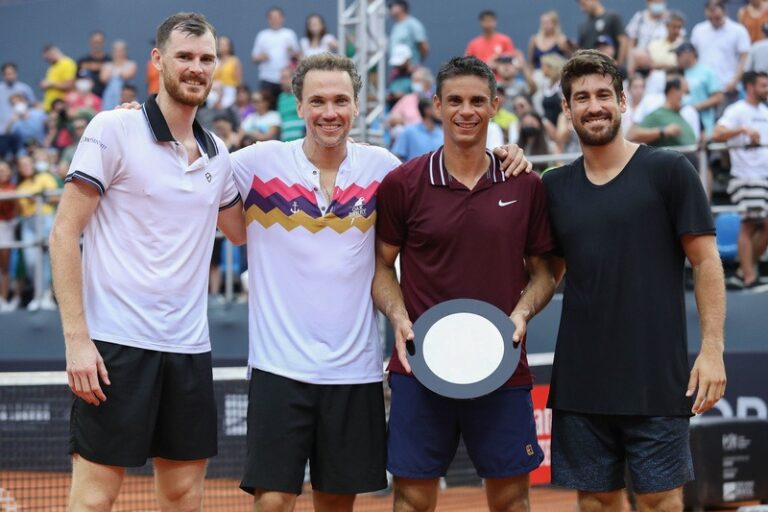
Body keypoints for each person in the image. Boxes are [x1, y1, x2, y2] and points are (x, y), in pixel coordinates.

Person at [229, 53, 531, 512]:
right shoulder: (255, 163)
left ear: (356, 106)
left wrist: (508, 153)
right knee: (272, 502)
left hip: (354, 372)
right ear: (298, 105)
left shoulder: (385, 170)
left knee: (337, 503)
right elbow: (192, 162)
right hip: (278, 370)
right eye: (317, 101)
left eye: (340, 101)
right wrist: (135, 118)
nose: (329, 112)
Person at [48, 12, 245, 510]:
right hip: (114, 347)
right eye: (184, 57)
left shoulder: (217, 153)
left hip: (188, 347)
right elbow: (64, 232)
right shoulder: (113, 128)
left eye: (206, 59)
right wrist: (77, 340)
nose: (196, 68)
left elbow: (243, 233)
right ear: (158, 61)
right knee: (95, 497)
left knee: (183, 494)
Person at [543, 49, 726, 512]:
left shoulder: (668, 171)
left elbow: (706, 262)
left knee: (659, 499)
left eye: (604, 94)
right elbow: (547, 272)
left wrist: (712, 349)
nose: (594, 105)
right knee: (598, 501)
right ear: (567, 109)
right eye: (581, 97)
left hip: (657, 377)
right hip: (582, 379)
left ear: (623, 102)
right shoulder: (553, 186)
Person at [373, 55, 555, 512]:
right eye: (454, 100)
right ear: (436, 105)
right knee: (412, 499)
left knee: (512, 500)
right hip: (420, 368)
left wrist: (522, 313)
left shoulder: (525, 184)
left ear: (495, 105)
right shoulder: (403, 183)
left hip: (503, 366)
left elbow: (544, 272)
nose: (465, 111)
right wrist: (398, 317)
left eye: (477, 100)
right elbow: (381, 268)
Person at [712, 71, 768, 289]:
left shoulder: (764, 111)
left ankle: (743, 270)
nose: (767, 89)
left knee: (764, 225)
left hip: (763, 176)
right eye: (764, 85)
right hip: (745, 175)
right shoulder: (736, 110)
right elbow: (717, 134)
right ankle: (748, 276)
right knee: (749, 225)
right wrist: (743, 129)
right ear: (750, 87)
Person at [16, 153, 58, 311]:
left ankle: (45, 296)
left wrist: (40, 198)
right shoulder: (20, 187)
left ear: (32, 164)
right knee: (30, 261)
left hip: (45, 218)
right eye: (22, 165)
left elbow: (56, 198)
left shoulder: (45, 177)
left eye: (28, 163)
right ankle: (38, 294)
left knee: (45, 258)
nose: (25, 167)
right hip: (27, 222)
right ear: (19, 169)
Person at [691, 0, 750, 106]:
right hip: (704, 87)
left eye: (717, 18)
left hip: (728, 87)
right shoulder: (699, 30)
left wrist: (735, 81)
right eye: (710, 18)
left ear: (724, 12)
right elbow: (693, 57)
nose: (714, 21)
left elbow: (744, 58)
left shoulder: (738, 30)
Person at [628, 76, 697, 149]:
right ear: (672, 92)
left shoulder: (680, 115)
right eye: (685, 92)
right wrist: (663, 131)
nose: (687, 96)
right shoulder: (658, 114)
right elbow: (632, 135)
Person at [675, 42, 724, 139]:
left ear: (689, 54)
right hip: (681, 120)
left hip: (702, 121)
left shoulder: (706, 71)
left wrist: (696, 106)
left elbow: (719, 97)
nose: (676, 58)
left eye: (679, 55)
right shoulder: (678, 72)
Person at [251, 6, 299, 100]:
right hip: (267, 78)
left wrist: (292, 52)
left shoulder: (289, 34)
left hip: (285, 79)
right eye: (272, 18)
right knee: (267, 105)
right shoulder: (262, 35)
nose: (275, 20)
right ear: (268, 20)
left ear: (282, 18)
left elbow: (297, 56)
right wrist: (262, 57)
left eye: (277, 17)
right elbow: (254, 58)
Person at [0, 63, 36, 158]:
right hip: (3, 132)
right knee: (5, 160)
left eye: (11, 73)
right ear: (3, 75)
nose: (9, 76)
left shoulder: (24, 89)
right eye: (7, 74)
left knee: (22, 157)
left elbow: (33, 105)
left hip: (22, 132)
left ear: (16, 74)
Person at [577, 0, 628, 66]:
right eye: (580, 5)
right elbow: (581, 50)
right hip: (591, 69)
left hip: (611, 67)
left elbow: (623, 41)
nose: (582, 9)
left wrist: (618, 65)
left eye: (584, 4)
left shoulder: (612, 17)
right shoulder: (583, 26)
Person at [100, 40, 138, 111]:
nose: (119, 53)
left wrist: (115, 69)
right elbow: (103, 78)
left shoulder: (131, 64)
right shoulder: (107, 65)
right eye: (116, 50)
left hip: (127, 96)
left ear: (125, 51)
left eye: (121, 50)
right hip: (110, 96)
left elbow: (128, 75)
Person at [388, 0, 428, 65]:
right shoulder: (396, 26)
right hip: (397, 68)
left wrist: (416, 64)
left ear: (401, 7)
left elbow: (423, 46)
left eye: (392, 6)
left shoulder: (413, 24)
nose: (390, 9)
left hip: (410, 69)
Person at [0, 159, 17, 312]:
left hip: (6, 227)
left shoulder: (13, 188)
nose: (2, 173)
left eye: (4, 170)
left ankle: (3, 298)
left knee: (4, 266)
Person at [40, 44, 77, 112]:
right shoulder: (52, 67)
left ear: (53, 53)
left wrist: (51, 84)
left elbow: (70, 85)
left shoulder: (67, 63)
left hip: (61, 108)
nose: (47, 61)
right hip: (50, 108)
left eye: (48, 58)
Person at [77, 31, 111, 98]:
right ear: (90, 42)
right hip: (87, 99)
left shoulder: (109, 60)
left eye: (99, 42)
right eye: (94, 42)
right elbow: (76, 80)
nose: (97, 45)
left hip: (106, 98)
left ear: (103, 43)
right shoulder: (83, 61)